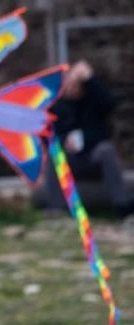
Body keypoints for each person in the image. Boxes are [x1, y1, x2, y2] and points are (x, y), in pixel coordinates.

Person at [45, 60, 132, 217]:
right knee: (55, 154)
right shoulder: (58, 106)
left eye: (75, 85)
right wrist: (65, 140)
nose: (71, 88)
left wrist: (89, 78)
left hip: (93, 155)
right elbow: (48, 134)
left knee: (107, 150)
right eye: (69, 84)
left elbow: (109, 105)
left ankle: (122, 206)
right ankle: (56, 209)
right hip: (71, 159)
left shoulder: (94, 102)